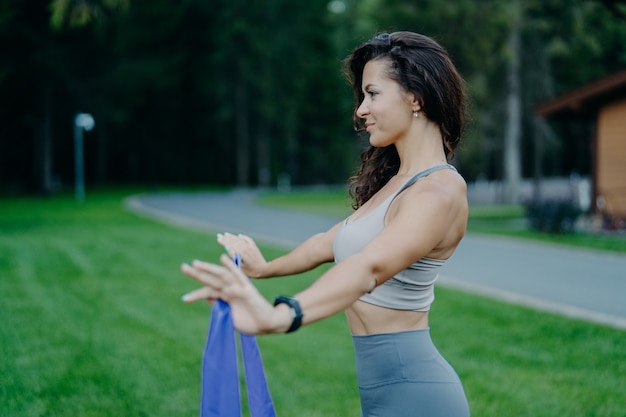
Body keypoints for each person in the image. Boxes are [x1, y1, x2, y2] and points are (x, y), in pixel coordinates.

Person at [181, 31, 470, 417]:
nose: (361, 110)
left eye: (373, 94)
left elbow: (368, 268)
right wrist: (263, 268)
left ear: (415, 97)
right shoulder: (397, 185)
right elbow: (324, 244)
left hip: (416, 394)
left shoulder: (439, 191)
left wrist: (281, 315)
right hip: (383, 389)